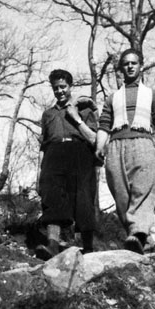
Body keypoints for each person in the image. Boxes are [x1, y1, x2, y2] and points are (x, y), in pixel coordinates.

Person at [95, 48, 155, 254]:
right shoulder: (112, 98)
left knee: (143, 191)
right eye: (126, 63)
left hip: (142, 143)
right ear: (121, 68)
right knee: (121, 196)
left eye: (133, 63)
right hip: (116, 145)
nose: (129, 66)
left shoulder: (152, 95)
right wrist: (99, 147)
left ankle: (137, 234)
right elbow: (104, 125)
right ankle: (143, 240)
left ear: (141, 66)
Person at [35, 69, 98, 260]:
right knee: (52, 195)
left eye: (63, 87)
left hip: (79, 153)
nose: (60, 91)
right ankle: (52, 244)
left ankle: (88, 247)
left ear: (70, 86)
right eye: (56, 88)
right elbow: (43, 145)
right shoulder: (48, 114)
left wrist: (76, 118)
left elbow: (94, 138)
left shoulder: (85, 109)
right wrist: (39, 173)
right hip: (54, 154)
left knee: (83, 197)